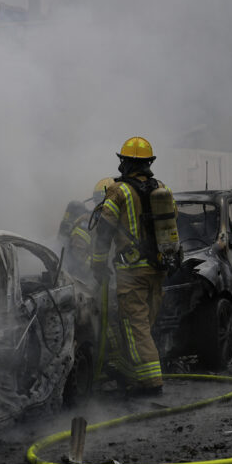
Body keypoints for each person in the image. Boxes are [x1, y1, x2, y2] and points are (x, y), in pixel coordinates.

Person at [89, 137, 175, 396]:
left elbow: (104, 229)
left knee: (135, 325)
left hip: (132, 271)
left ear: (125, 163)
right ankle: (131, 373)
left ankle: (150, 383)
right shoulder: (161, 188)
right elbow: (174, 221)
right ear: (148, 163)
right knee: (144, 325)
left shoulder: (118, 191)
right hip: (159, 268)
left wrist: (98, 263)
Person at [58, 178, 113, 282]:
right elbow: (78, 256)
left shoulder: (111, 223)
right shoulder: (86, 223)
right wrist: (97, 267)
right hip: (84, 282)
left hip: (103, 280)